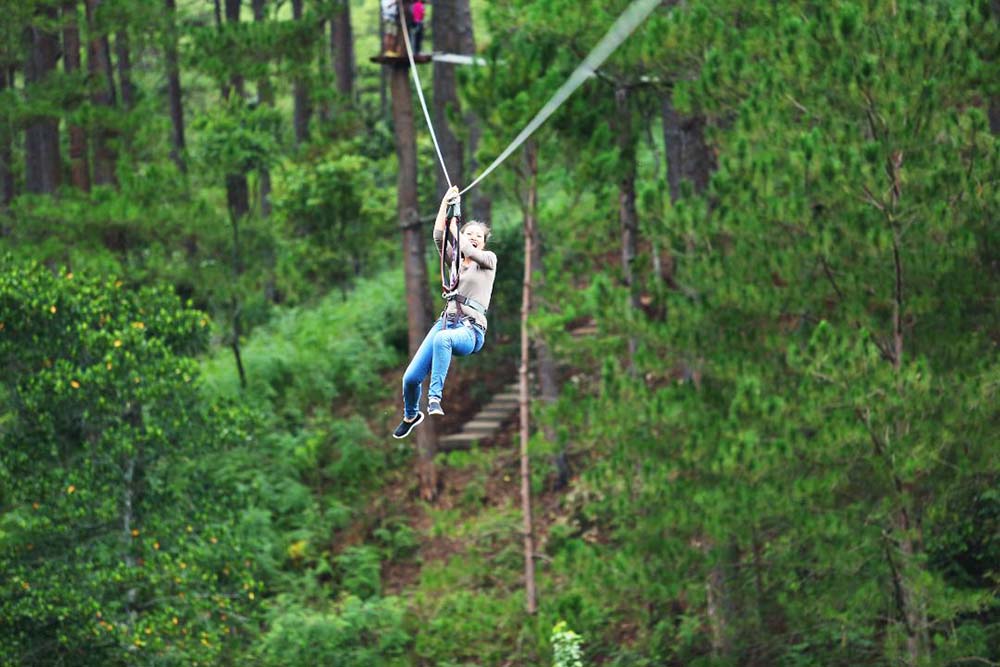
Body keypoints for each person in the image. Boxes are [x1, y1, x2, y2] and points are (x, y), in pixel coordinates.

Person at [393, 185, 498, 439]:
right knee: (409, 379)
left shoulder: (488, 261)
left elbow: (469, 250)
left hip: (470, 331)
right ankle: (411, 414)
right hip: (446, 323)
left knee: (444, 340)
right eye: (469, 234)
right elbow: (439, 236)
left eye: (478, 236)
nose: (474, 238)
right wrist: (445, 204)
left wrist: (457, 228)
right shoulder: (454, 263)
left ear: (483, 243)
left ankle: (435, 399)